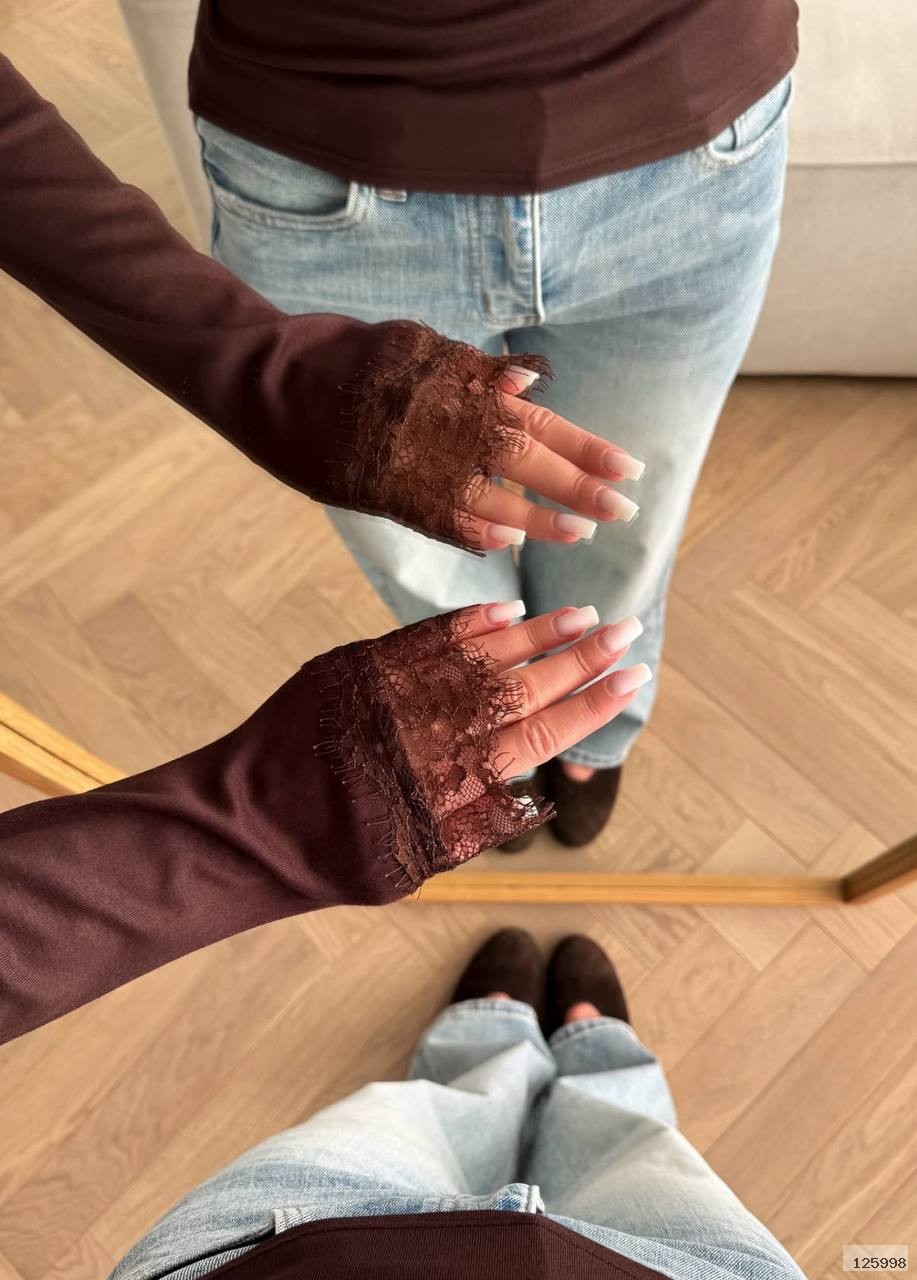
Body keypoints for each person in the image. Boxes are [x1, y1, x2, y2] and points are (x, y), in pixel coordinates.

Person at [160, 0, 797, 846]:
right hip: (324, 159)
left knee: (626, 511)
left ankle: (589, 720)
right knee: (418, 541)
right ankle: (495, 726)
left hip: (686, 135)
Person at [105, 929, 803, 1280]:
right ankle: (589, 1051)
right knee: (634, 1146)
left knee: (423, 1119)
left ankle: (500, 1042)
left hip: (294, 1259)